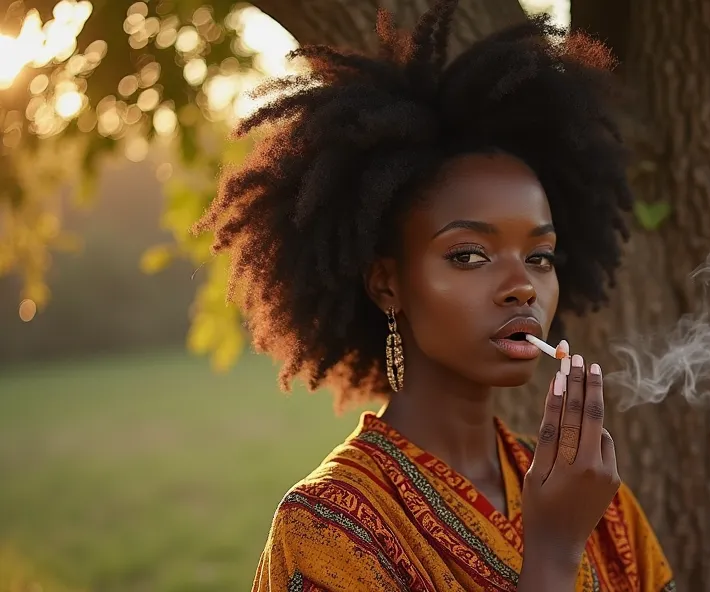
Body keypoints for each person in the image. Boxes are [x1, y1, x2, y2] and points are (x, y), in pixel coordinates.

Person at [193, 1, 675, 590]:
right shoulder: (330, 527)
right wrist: (551, 553)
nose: (522, 284)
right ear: (386, 282)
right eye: (469, 254)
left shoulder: (589, 492)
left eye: (540, 257)